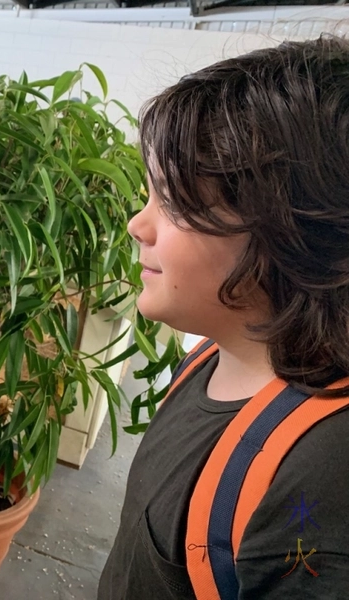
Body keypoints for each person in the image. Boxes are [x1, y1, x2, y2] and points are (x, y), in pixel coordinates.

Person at [98, 36, 349, 598]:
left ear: (291, 229)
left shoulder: (314, 487)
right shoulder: (213, 355)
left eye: (175, 202)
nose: (140, 226)